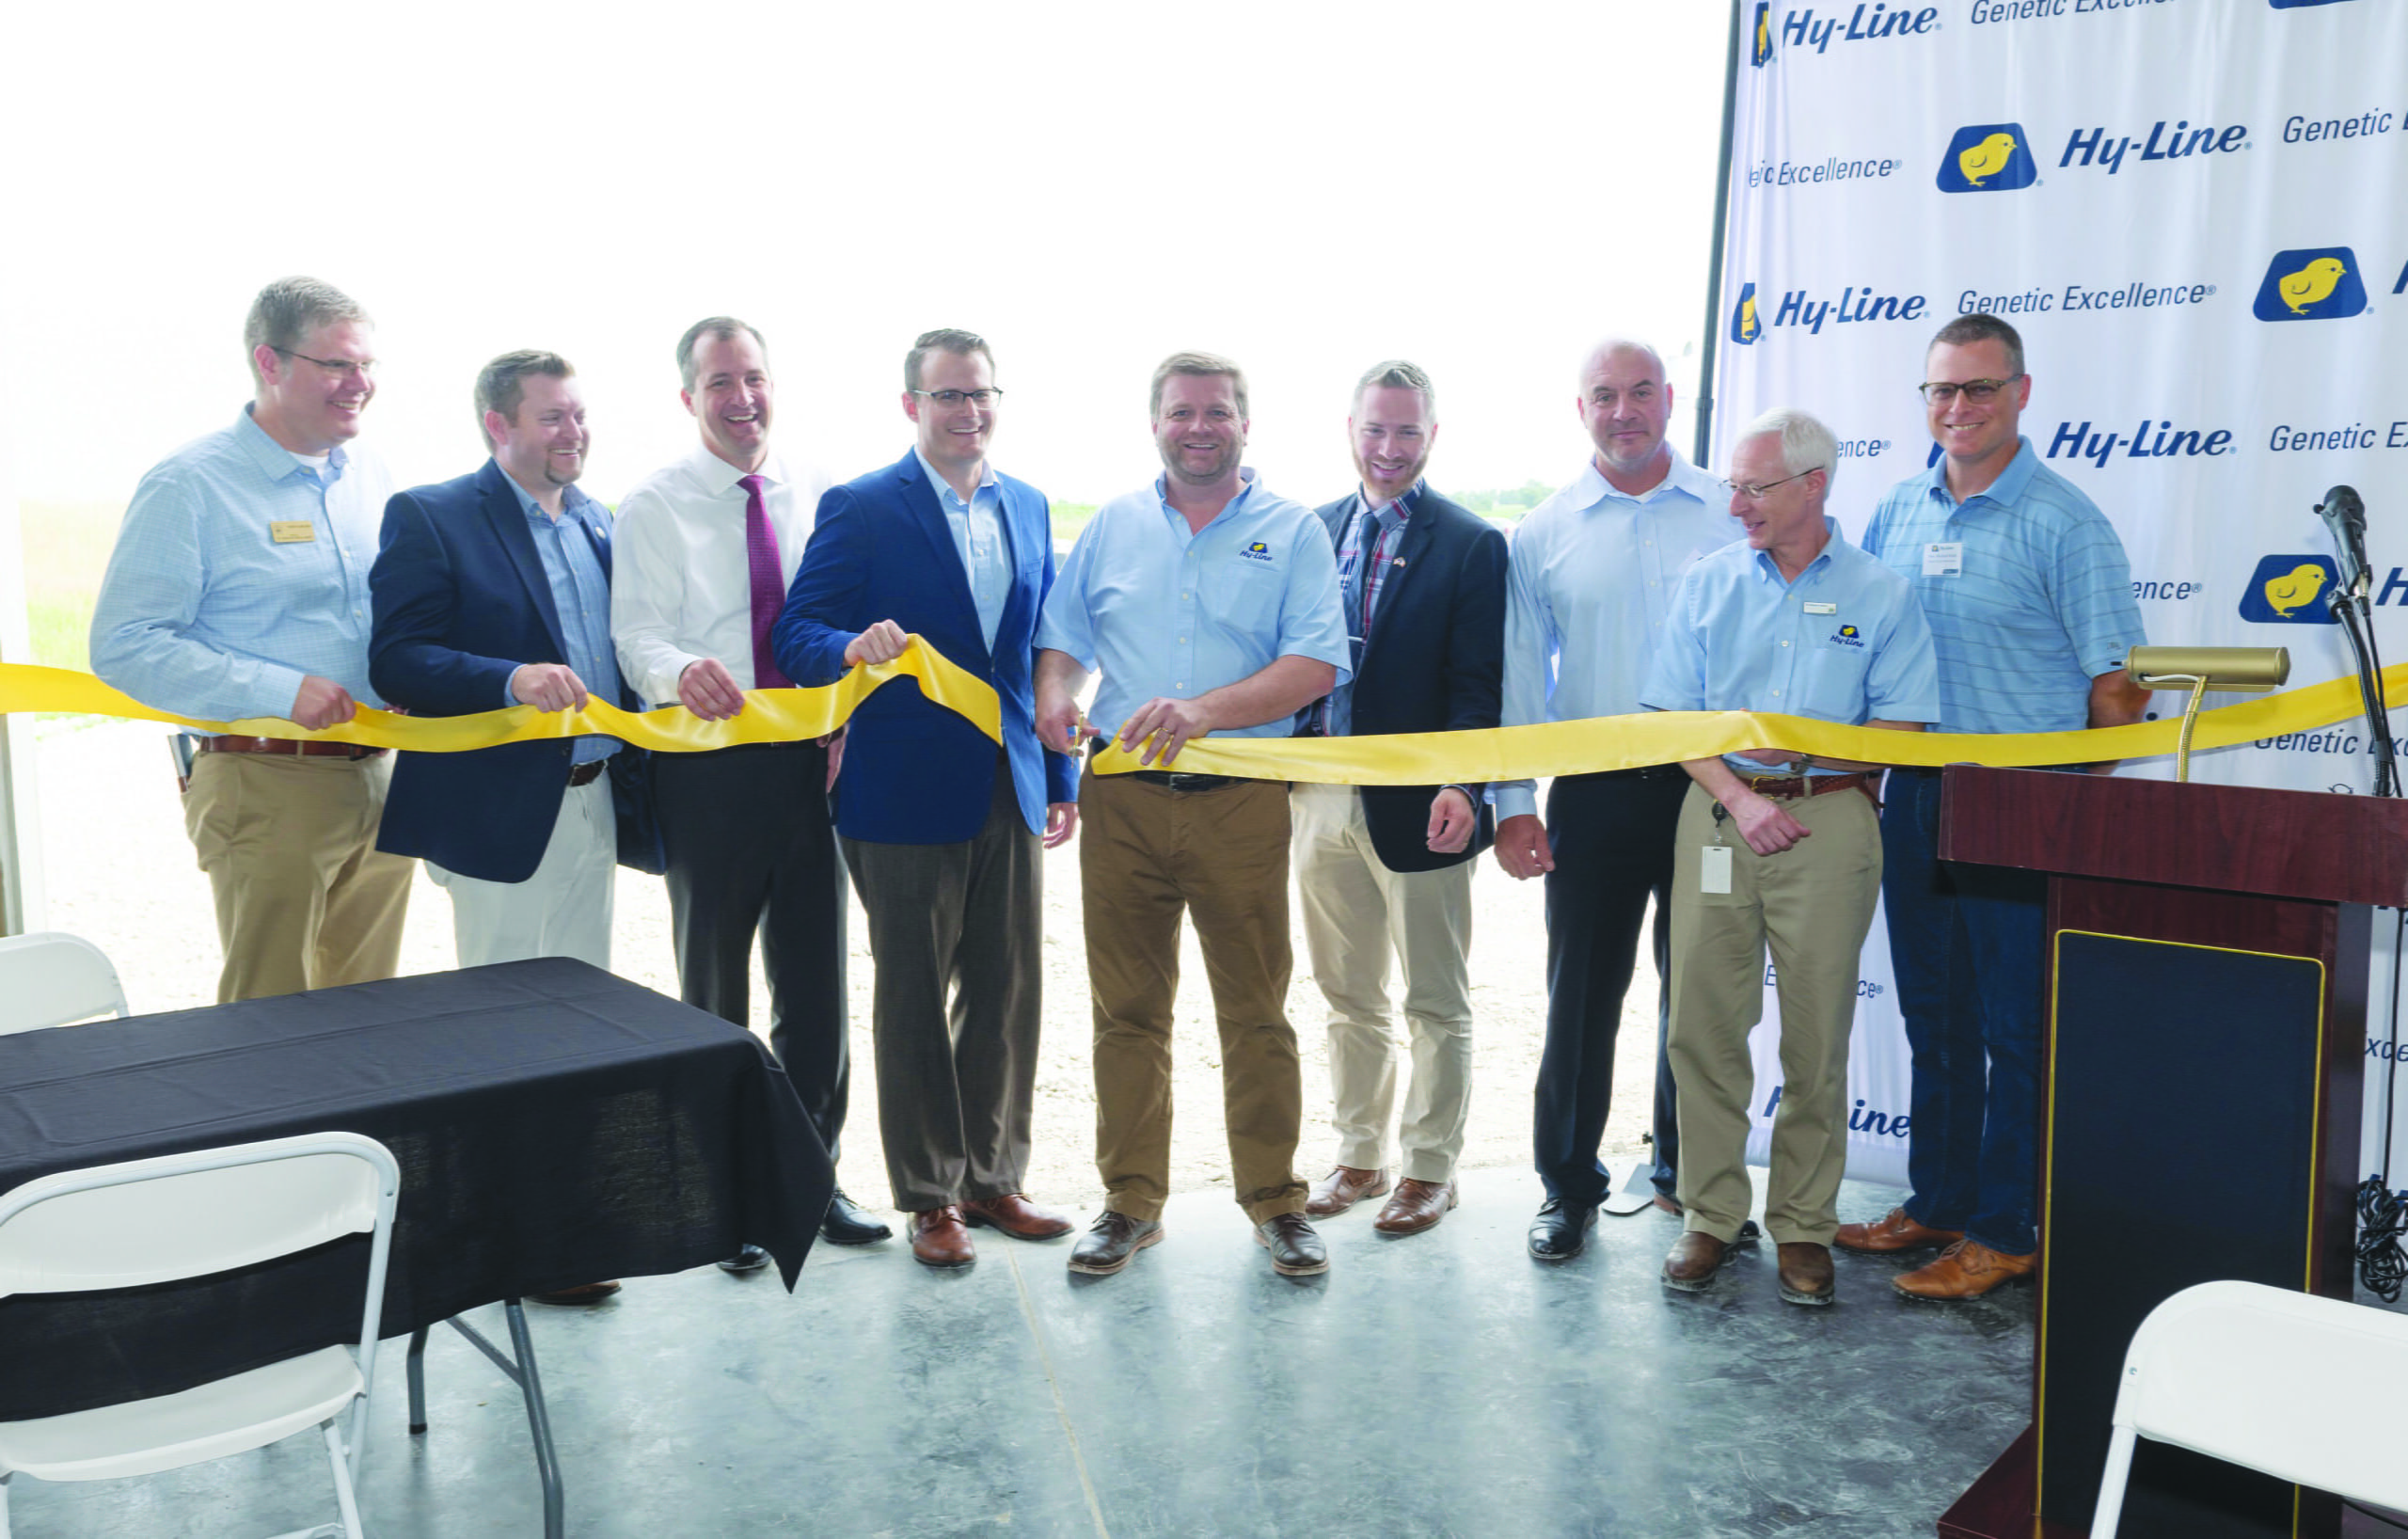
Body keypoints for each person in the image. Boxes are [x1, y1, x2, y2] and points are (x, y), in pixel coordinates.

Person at [1839, 312, 2147, 1299]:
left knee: (2016, 1026)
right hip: (1918, 795)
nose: (1957, 408)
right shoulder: (1896, 510)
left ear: (2021, 392)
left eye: (1977, 389)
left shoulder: (2065, 520)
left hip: (2022, 801)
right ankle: (1939, 1199)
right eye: (1940, 390)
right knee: (1934, 1014)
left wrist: (2068, 799)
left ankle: (2008, 1227)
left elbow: (2118, 686)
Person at [1034, 352, 1350, 1278]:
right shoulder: (1111, 528)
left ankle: (1275, 1202)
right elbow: (1062, 639)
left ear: (1244, 423)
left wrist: (1203, 711)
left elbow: (1316, 664)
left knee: (1255, 1012)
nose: (1198, 427)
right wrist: (1056, 694)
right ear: (1156, 423)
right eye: (1181, 412)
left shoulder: (1291, 532)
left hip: (1241, 800)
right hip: (1121, 800)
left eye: (1216, 412)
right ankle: (1131, 1201)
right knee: (1126, 1012)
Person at [772, 329, 1080, 1269]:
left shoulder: (1028, 506)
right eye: (947, 395)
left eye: (980, 393)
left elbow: (1042, 658)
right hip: (900, 789)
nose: (967, 410)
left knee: (1004, 989)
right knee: (910, 993)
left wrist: (1061, 776)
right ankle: (930, 1195)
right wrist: (845, 647)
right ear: (912, 405)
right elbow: (795, 631)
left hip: (1010, 782)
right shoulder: (862, 507)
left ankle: (992, 1177)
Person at [1639, 409, 1939, 1306]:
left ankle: (1804, 1224)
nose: (1734, 505)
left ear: (1814, 485)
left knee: (1816, 1038)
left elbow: (1904, 728)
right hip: (1718, 820)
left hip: (1831, 824)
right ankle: (1711, 1214)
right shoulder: (1708, 586)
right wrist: (1739, 794)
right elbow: (1671, 718)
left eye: (1753, 487)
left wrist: (1802, 769)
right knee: (1701, 1024)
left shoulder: (1883, 593)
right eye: (1733, 485)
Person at [611, 317, 886, 1258]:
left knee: (816, 987)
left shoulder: (823, 493)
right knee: (712, 988)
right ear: (688, 398)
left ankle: (812, 1181)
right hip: (707, 765)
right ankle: (723, 1192)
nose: (741, 398)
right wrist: (680, 668)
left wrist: (847, 715)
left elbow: (838, 626)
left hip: (813, 763)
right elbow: (634, 633)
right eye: (719, 382)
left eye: (754, 377)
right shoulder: (651, 506)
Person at [90, 276, 413, 1004]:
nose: (359, 384)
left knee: (371, 1013)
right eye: (336, 365)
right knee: (270, 1022)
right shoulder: (190, 486)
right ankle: (273, 1128)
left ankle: (359, 1126)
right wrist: (280, 690)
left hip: (384, 778)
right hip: (268, 786)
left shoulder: (370, 473)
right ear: (269, 364)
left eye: (366, 366)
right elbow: (125, 643)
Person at [1493, 339, 1734, 1261]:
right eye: (1604, 395)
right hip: (1591, 797)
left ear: (1670, 399)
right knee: (1580, 995)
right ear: (1580, 408)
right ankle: (1566, 1185)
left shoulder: (1727, 511)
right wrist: (1514, 800)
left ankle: (1689, 1178)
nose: (1623, 410)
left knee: (1700, 995)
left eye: (1640, 392)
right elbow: (1519, 675)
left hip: (1709, 791)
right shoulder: (1544, 531)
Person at [1292, 361, 1506, 1237]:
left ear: (1431, 436)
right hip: (1317, 796)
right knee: (1347, 995)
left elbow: (1478, 683)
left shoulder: (1471, 542)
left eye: (1407, 432)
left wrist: (1466, 781)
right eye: (1376, 430)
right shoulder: (1312, 529)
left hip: (1421, 806)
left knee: (1434, 999)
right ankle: (1359, 1156)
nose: (1389, 448)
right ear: (1350, 430)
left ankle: (1429, 1168)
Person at [370, 351, 633, 973]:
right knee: (503, 1013)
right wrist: (511, 679)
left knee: (587, 1000)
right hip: (495, 807)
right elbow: (397, 660)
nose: (573, 432)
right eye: (551, 418)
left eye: (578, 414)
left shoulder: (598, 521)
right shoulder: (431, 516)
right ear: (498, 425)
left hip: (596, 796)